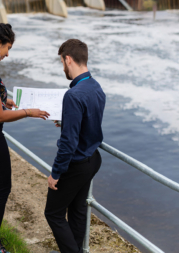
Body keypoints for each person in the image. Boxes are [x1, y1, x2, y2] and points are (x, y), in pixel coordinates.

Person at [0, 18, 50, 253]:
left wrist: (5, 99)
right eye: (8, 48)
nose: (7, 54)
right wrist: (27, 111)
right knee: (2, 189)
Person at [45, 39, 106, 253]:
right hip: (93, 159)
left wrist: (56, 173)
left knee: (53, 213)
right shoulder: (96, 87)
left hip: (75, 164)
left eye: (62, 62)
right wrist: (67, 121)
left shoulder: (73, 95)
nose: (63, 67)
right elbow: (89, 121)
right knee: (78, 211)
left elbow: (68, 144)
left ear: (68, 59)